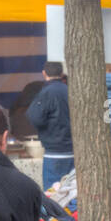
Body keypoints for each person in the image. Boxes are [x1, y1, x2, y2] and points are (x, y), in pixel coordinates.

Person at [26, 61, 73, 189]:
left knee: (52, 193)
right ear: (62, 74)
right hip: (73, 151)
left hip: (54, 153)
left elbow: (35, 118)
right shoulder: (69, 91)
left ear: (44, 73)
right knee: (72, 192)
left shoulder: (46, 93)